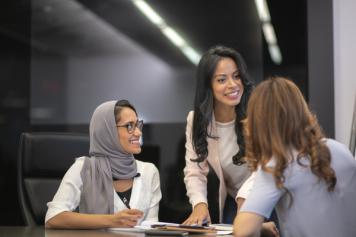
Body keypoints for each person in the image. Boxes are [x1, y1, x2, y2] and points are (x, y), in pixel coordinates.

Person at [233, 77, 356, 237]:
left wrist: (262, 228)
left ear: (258, 124)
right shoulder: (341, 150)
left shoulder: (278, 165)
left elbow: (244, 230)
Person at [45, 100, 161, 229]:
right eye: (129, 126)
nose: (138, 133)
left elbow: (151, 227)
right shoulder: (85, 167)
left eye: (138, 125)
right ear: (108, 130)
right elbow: (53, 217)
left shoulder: (149, 171)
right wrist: (112, 220)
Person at [183, 45, 255, 225]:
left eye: (236, 76)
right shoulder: (197, 120)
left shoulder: (258, 112)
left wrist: (244, 200)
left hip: (267, 193)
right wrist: (199, 204)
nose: (233, 84)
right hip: (234, 198)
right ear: (209, 86)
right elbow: (194, 171)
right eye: (222, 80)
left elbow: (267, 167)